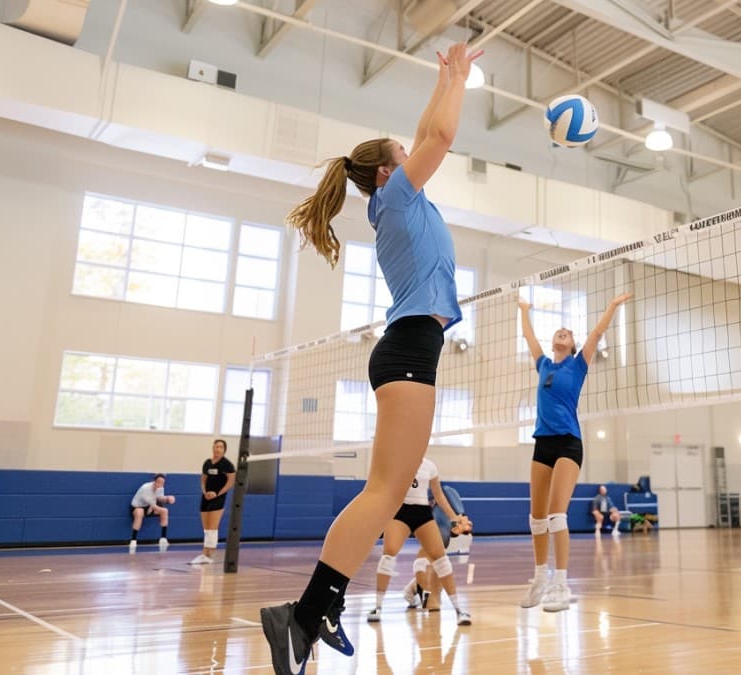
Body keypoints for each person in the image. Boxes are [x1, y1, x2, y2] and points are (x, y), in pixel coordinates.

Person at [259, 41, 482, 675]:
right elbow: (438, 132)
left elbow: (420, 131)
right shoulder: (400, 198)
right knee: (384, 493)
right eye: (404, 159)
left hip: (410, 349)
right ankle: (307, 611)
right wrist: (459, 83)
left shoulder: (395, 198)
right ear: (389, 173)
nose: (414, 157)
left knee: (381, 491)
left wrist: (446, 75)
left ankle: (309, 613)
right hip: (411, 348)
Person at [517, 291, 633, 613]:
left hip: (568, 442)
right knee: (536, 519)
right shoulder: (542, 364)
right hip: (542, 442)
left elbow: (596, 334)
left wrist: (611, 305)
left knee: (556, 516)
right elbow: (528, 336)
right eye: (558, 332)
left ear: (572, 343)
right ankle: (540, 577)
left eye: (567, 333)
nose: (562, 333)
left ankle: (561, 584)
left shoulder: (578, 364)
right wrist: (525, 309)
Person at [365, 457, 470, 626]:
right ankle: (377, 607)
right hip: (400, 511)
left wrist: (453, 517)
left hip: (422, 513)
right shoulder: (395, 461)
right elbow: (382, 489)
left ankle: (459, 610)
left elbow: (438, 494)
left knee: (440, 558)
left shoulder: (429, 466)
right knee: (389, 553)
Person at [190, 439, 236, 565]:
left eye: (221, 447)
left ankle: (206, 554)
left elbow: (230, 482)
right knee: (206, 527)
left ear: (224, 450)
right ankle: (208, 552)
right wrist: (205, 492)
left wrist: (217, 493)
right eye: (216, 446)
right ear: (213, 448)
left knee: (212, 527)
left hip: (218, 496)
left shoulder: (227, 464)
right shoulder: (207, 463)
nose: (218, 449)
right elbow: (203, 480)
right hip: (206, 496)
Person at [129, 473, 174, 554]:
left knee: (165, 511)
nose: (161, 484)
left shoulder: (160, 488)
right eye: (159, 482)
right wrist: (154, 507)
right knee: (140, 513)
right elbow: (153, 505)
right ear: (154, 481)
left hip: (150, 506)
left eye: (162, 483)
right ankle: (133, 540)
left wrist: (168, 499)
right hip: (138, 506)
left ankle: (163, 538)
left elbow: (160, 498)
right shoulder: (146, 488)